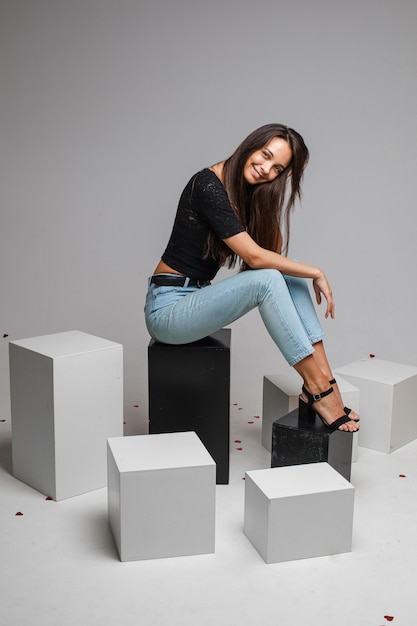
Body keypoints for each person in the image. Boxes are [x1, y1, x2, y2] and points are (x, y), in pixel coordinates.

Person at [145, 123, 359, 432]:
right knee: (273, 278)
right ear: (251, 145)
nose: (265, 169)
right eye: (265, 155)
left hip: (194, 300)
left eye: (277, 168)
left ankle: (326, 382)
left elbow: (268, 259)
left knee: (288, 272)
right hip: (167, 312)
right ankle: (318, 388)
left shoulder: (244, 193)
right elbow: (256, 258)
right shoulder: (207, 185)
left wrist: (301, 270)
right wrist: (318, 271)